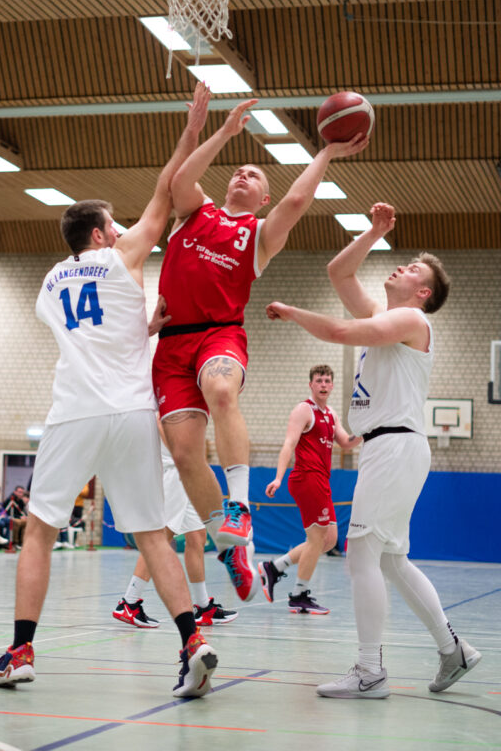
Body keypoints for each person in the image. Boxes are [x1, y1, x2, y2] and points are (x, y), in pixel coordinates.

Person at [0, 83, 217, 698]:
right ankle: (192, 639)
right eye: (113, 226)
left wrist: (140, 324)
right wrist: (191, 132)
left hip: (75, 412)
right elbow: (168, 195)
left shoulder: (49, 282)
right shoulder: (121, 261)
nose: (121, 232)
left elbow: (83, 330)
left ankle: (21, 649)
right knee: (150, 533)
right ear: (96, 234)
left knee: (39, 530)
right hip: (133, 411)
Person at [153, 102, 369, 603]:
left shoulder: (258, 235)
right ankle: (231, 549)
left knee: (222, 389)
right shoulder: (195, 211)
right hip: (170, 343)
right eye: (238, 171)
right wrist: (225, 131)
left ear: (262, 195)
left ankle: (240, 506)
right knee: (185, 455)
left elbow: (295, 202)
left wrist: (327, 152)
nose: (243, 175)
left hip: (219, 334)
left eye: (254, 175)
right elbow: (179, 180)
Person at [265, 202, 479, 698]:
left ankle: (370, 671)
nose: (400, 266)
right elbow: (338, 272)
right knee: (390, 561)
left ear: (422, 292)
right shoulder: (389, 316)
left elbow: (340, 332)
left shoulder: (408, 320)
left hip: (395, 447)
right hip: (390, 449)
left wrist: (296, 312)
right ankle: (453, 650)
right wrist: (374, 231)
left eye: (412, 270)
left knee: (361, 557)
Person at [113, 415, 237, 629]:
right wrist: (179, 452)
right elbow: (160, 419)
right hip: (174, 472)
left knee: (197, 537)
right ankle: (129, 602)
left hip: (187, 472)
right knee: (160, 539)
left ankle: (203, 606)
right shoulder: (163, 390)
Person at [258, 365, 361, 614]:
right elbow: (289, 444)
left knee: (329, 540)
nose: (323, 385)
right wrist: (278, 478)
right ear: (311, 385)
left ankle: (274, 568)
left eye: (327, 381)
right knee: (317, 539)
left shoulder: (331, 415)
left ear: (332, 385)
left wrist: (369, 431)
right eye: (319, 381)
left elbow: (346, 443)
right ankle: (299, 595)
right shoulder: (304, 410)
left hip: (321, 481)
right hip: (307, 478)